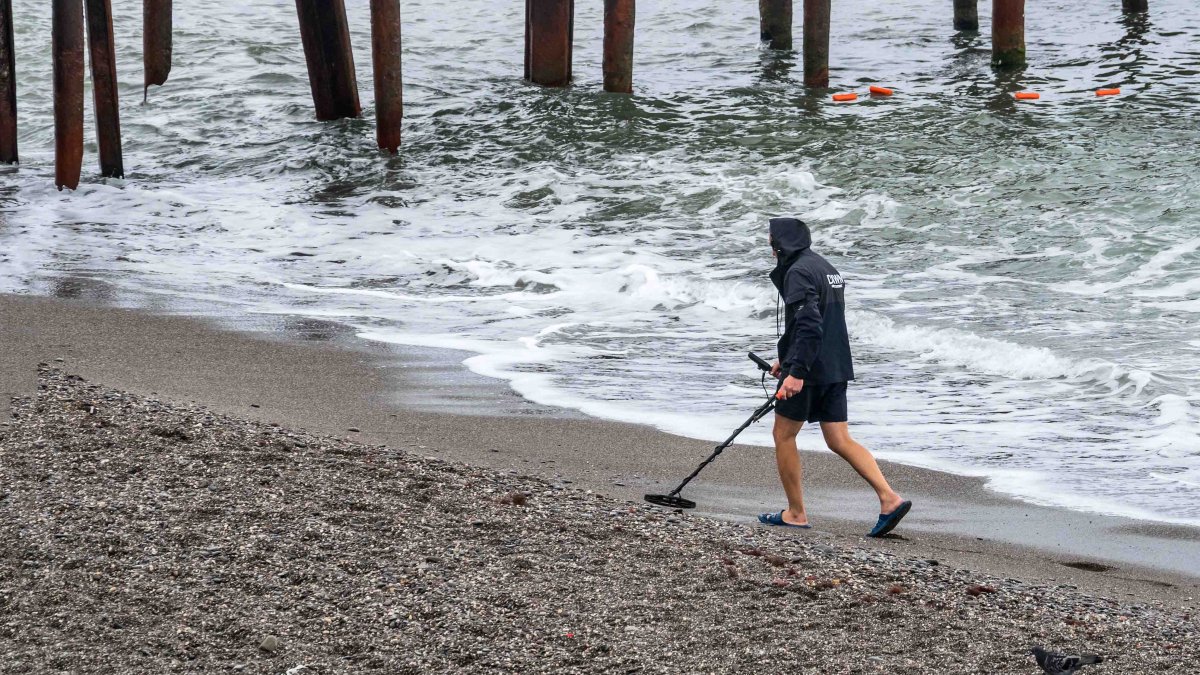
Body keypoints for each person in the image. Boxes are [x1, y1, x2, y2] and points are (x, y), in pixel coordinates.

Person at [761, 217, 911, 537]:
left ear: (781, 243)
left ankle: (796, 513)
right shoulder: (825, 267)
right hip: (835, 366)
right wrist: (786, 359)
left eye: (771, 239)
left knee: (783, 436)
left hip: (810, 372)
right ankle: (889, 498)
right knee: (839, 439)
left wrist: (796, 372)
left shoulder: (798, 271)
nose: (770, 246)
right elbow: (822, 323)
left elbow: (810, 325)